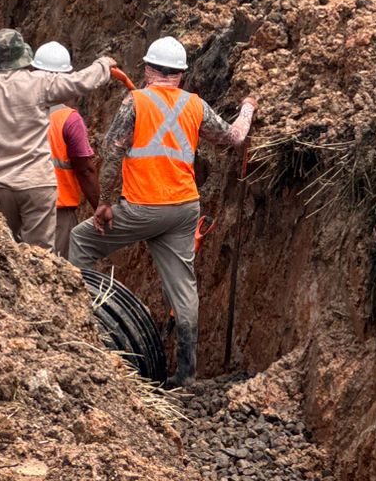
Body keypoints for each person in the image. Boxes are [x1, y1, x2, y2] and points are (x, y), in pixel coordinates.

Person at [68, 36, 255, 387]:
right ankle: (186, 374)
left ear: (148, 69)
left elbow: (111, 155)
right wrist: (248, 107)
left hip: (143, 208)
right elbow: (233, 136)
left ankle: (80, 331)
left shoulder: (135, 101)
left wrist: (105, 203)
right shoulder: (195, 105)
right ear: (181, 75)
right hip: (184, 209)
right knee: (184, 290)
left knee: (80, 242)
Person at [0, 31, 115, 250]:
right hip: (38, 186)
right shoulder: (39, 84)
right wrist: (104, 65)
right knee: (41, 257)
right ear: (22, 58)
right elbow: (80, 81)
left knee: (5, 255)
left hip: (0, 187)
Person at [35, 41, 102, 259]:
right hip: (56, 214)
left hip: (18, 208)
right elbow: (85, 170)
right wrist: (100, 207)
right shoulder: (68, 119)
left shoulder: (13, 109)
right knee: (55, 277)